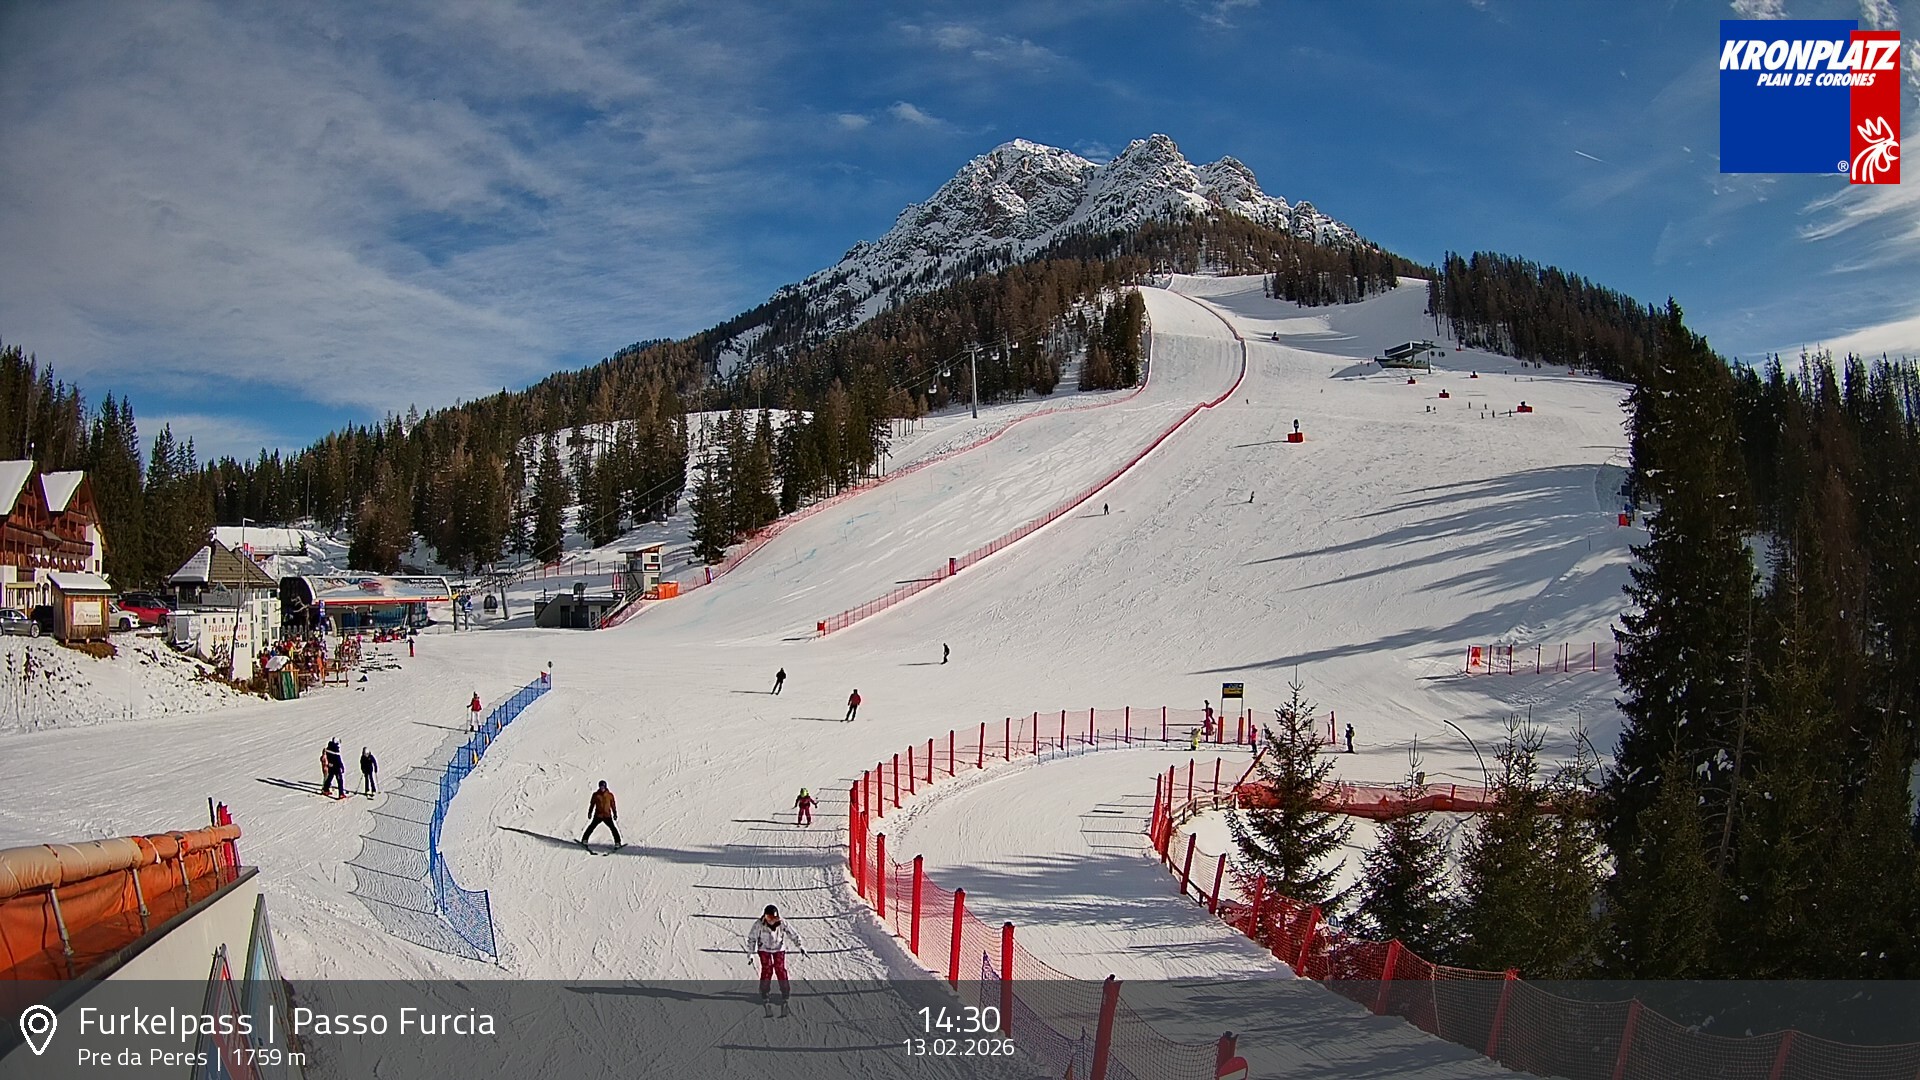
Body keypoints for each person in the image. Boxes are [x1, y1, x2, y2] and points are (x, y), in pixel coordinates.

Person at [746, 905, 806, 1013]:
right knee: (767, 969)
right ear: (764, 917)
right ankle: (764, 991)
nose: (771, 921)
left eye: (773, 918)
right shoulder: (759, 924)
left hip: (778, 949)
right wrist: (750, 953)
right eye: (768, 918)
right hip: (764, 949)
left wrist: (800, 946)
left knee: (780, 969)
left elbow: (792, 934)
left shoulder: (782, 923)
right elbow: (752, 938)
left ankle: (785, 991)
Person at [580, 781, 622, 850]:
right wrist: (590, 813)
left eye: (603, 787)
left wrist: (615, 813)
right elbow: (592, 804)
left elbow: (613, 805)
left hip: (607, 815)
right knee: (591, 827)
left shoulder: (610, 795)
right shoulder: (596, 795)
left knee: (613, 828)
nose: (602, 788)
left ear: (605, 787)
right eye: (601, 787)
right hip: (598, 815)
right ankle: (584, 840)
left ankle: (618, 842)